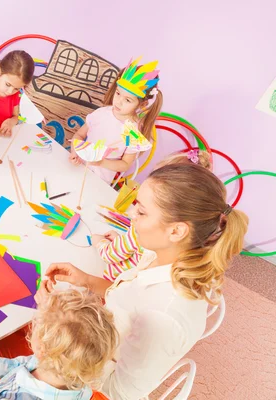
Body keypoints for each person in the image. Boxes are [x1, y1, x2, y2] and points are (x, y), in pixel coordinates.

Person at [45, 163, 248, 399]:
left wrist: (56, 331)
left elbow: (118, 393)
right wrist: (88, 280)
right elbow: (128, 300)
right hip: (94, 343)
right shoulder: (161, 254)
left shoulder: (163, 316)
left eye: (141, 212)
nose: (131, 216)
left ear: (176, 231)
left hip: (88, 378)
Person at [0, 290, 118, 399]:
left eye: (36, 325)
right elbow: (28, 364)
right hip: (5, 389)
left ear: (41, 349)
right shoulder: (70, 371)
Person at [93, 149, 212, 281]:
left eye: (141, 211)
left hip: (112, 281)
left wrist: (99, 242)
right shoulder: (185, 243)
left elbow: (110, 255)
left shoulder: (140, 231)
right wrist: (120, 241)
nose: (132, 213)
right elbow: (133, 249)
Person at [70, 57, 163, 183]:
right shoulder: (101, 114)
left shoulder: (132, 132)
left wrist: (101, 162)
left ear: (142, 105)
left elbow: (125, 164)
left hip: (98, 182)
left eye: (128, 100)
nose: (118, 101)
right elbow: (79, 135)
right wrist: (74, 152)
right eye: (118, 93)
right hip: (77, 169)